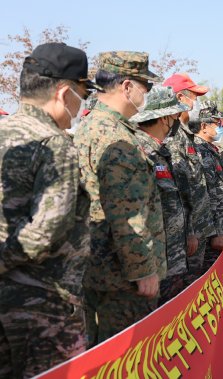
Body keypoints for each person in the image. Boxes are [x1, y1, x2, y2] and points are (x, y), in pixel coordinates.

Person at [0, 42, 93, 378]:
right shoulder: (53, 143)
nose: (82, 105)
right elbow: (46, 231)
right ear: (64, 92)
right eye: (83, 94)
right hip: (44, 303)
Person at [74, 51, 166, 347]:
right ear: (127, 86)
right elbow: (127, 215)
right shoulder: (118, 138)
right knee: (129, 352)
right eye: (146, 86)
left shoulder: (88, 126)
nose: (148, 94)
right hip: (122, 278)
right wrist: (144, 270)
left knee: (100, 349)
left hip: (95, 268)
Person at [130, 86, 193, 305]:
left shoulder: (161, 151)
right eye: (175, 114)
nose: (178, 119)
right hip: (155, 264)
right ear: (165, 118)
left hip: (173, 258)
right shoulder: (140, 151)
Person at [162, 73, 217, 281]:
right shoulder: (172, 136)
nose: (197, 103)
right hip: (184, 234)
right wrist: (190, 230)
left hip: (199, 230)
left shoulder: (186, 134)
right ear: (179, 98)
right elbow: (178, 187)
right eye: (194, 97)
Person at [191, 102, 223, 273]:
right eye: (217, 123)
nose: (220, 127)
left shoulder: (211, 149)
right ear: (204, 126)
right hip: (213, 233)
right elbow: (207, 195)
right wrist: (216, 232)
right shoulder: (198, 151)